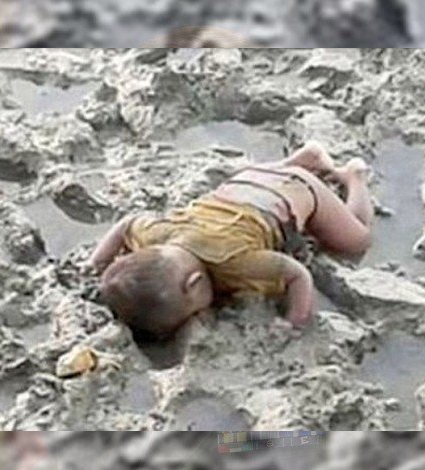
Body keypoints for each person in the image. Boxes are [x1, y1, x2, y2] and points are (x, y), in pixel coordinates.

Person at [90, 142, 373, 338]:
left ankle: (354, 176)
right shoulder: (154, 234)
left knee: (356, 240)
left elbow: (298, 275)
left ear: (194, 284)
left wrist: (295, 320)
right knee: (270, 178)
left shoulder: (237, 261)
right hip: (246, 181)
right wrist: (99, 262)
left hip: (298, 189)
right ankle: (304, 158)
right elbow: (126, 224)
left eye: (194, 313)